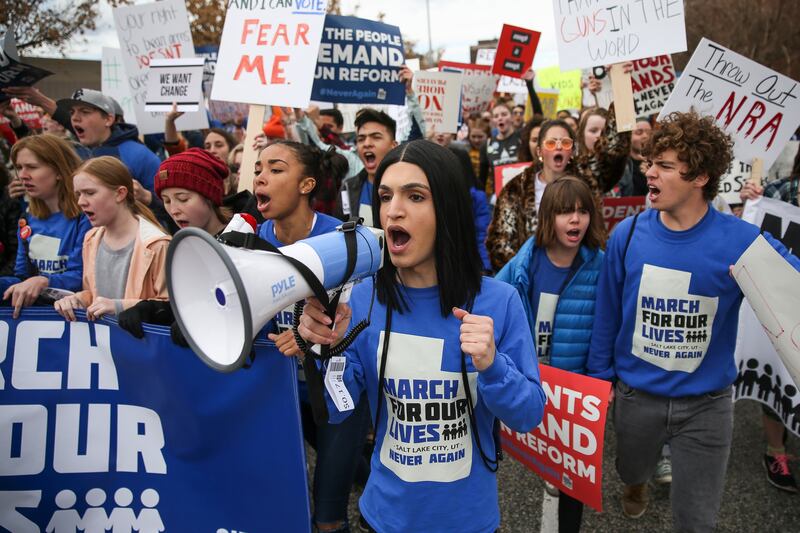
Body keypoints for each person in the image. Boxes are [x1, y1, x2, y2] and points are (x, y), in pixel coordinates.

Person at [297, 140, 546, 533]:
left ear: (447, 208)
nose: (394, 210)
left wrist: (493, 366)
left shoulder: (499, 301)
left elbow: (529, 415)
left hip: (469, 521)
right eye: (385, 196)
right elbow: (338, 409)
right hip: (386, 517)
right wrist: (323, 348)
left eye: (415, 196)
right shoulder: (359, 299)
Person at [586, 111, 800, 530]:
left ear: (700, 177)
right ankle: (636, 482)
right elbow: (607, 313)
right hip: (636, 398)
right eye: (650, 163)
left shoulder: (740, 240)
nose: (650, 173)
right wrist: (598, 381)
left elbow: (790, 283)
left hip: (708, 406)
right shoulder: (627, 235)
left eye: (665, 166)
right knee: (631, 468)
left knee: (697, 521)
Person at [253, 140, 369, 533]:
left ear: (306, 185)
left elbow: (364, 322)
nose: (261, 177)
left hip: (340, 392)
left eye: (276, 169)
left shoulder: (343, 239)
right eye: (258, 169)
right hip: (283, 392)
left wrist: (311, 340)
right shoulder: (250, 240)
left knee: (327, 518)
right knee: (299, 493)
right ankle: (372, 476)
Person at [496, 176, 605, 533]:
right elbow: (493, 304)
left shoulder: (600, 266)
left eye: (583, 212)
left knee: (573, 478)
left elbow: (609, 325)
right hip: (534, 381)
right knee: (536, 458)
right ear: (547, 218)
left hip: (576, 390)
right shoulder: (524, 264)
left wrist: (602, 381)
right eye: (564, 212)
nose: (575, 220)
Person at [739, 146, 800, 493]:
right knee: (780, 371)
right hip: (785, 301)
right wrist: (753, 202)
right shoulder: (781, 191)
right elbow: (754, 229)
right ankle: (776, 450)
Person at [54, 156, 169, 321]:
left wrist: (119, 307)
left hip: (138, 337)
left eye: (90, 193)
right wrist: (77, 299)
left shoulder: (157, 244)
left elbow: (168, 307)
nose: (80, 202)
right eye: (78, 194)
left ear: (120, 193)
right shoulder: (91, 238)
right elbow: (95, 295)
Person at [1, 134, 90, 318]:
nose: (23, 175)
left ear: (59, 171)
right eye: (19, 167)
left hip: (77, 314)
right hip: (39, 314)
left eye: (32, 167)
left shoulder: (86, 217)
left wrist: (43, 281)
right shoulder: (26, 219)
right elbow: (21, 275)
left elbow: (82, 277)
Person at [486, 119, 576, 271]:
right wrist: (524, 274)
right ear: (539, 151)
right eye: (551, 143)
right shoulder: (516, 188)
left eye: (565, 143)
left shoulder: (585, 186)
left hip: (574, 274)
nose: (559, 147)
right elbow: (500, 243)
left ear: (572, 151)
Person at [55, 89, 161, 205]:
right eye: (72, 112)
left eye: (85, 112)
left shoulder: (138, 155)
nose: (75, 118)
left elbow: (167, 204)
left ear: (108, 119)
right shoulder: (71, 153)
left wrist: (146, 197)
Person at [334, 109, 398, 225]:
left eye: (376, 137)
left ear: (393, 146)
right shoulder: (348, 188)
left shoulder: (409, 188)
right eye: (361, 139)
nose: (367, 144)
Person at [156, 147, 232, 237]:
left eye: (183, 199)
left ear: (210, 197)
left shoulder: (242, 240)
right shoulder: (178, 243)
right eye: (167, 201)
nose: (173, 211)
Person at [481, 101, 520, 198]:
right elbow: (482, 178)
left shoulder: (522, 139)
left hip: (521, 196)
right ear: (492, 121)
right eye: (496, 116)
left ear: (512, 117)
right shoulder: (487, 144)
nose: (500, 118)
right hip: (499, 198)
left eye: (504, 114)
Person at [617, 119, 653, 197]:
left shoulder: (657, 164)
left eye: (649, 133)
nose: (645, 136)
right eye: (639, 132)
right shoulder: (621, 165)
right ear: (628, 136)